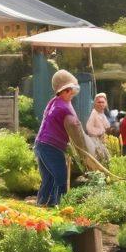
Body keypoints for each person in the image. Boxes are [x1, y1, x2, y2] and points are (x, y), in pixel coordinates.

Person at [33, 71, 81, 206]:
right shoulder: (62, 107)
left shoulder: (55, 102)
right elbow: (75, 124)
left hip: (41, 144)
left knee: (48, 178)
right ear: (62, 91)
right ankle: (59, 207)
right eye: (68, 90)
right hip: (50, 146)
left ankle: (42, 205)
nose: (71, 93)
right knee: (60, 178)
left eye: (71, 90)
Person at [85, 92, 112, 161]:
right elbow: (89, 128)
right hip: (95, 144)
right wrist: (102, 131)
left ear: (105, 103)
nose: (101, 104)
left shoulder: (102, 114)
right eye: (99, 102)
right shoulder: (94, 114)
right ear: (95, 103)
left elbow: (107, 127)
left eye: (102, 102)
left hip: (102, 142)